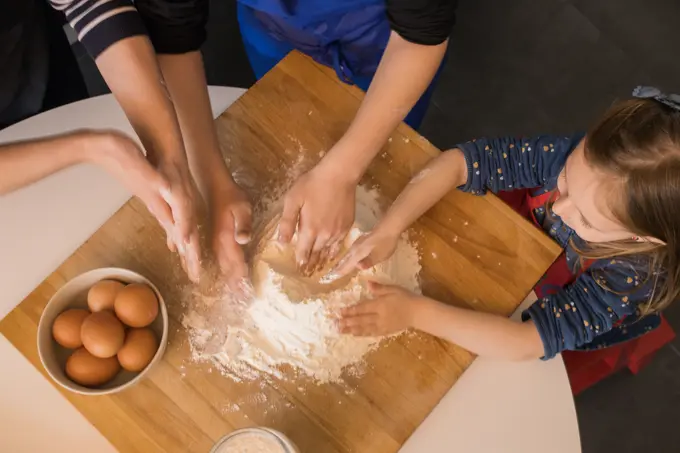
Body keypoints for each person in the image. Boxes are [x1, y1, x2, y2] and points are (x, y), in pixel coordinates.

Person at [333, 86, 680, 360]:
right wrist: (389, 228)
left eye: (587, 221)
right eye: (565, 182)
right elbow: (461, 162)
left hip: (556, 306)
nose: (559, 208)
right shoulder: (582, 161)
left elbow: (526, 342)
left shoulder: (634, 278)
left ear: (641, 238)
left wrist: (414, 313)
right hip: (517, 249)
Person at [1, 0, 252, 287]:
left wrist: (168, 155)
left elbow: (89, 4)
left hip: (24, 52)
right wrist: (90, 148)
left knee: (68, 202)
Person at [237, 0, 458, 273]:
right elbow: (176, 29)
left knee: (384, 167)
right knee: (290, 135)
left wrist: (341, 173)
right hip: (273, 31)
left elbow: (420, 34)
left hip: (385, 50)